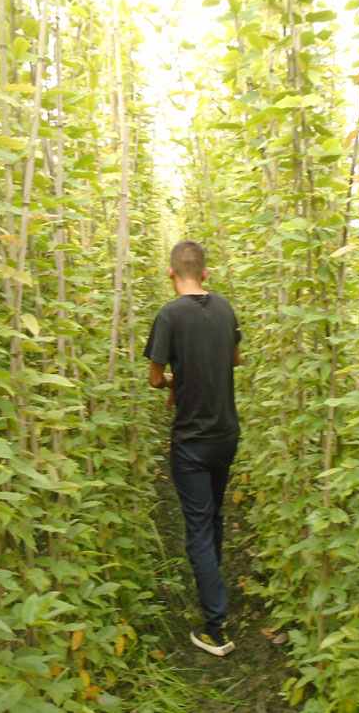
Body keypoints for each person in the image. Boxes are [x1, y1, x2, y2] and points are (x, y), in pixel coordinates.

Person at [144, 240, 241, 657]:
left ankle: (216, 627)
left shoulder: (169, 314)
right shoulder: (225, 308)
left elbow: (154, 378)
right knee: (214, 515)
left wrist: (172, 383)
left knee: (198, 529)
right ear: (205, 273)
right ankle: (212, 584)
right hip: (226, 435)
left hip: (190, 442)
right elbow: (235, 359)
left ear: (170, 273)